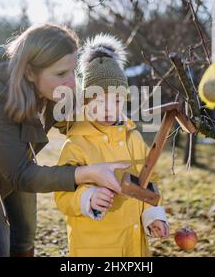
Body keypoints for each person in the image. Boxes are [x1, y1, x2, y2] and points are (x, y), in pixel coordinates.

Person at [0, 24, 129, 257]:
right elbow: (21, 175)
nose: (72, 83)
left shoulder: (54, 88)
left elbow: (75, 122)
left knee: (25, 233)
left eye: (73, 71)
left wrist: (118, 122)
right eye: (61, 73)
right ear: (30, 72)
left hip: (14, 161)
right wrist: (87, 173)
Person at [54, 34, 169, 257]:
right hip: (95, 249)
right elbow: (62, 194)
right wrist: (88, 197)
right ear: (87, 101)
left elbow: (147, 182)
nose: (109, 108)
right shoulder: (77, 143)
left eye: (116, 100)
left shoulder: (133, 139)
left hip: (134, 246)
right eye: (100, 100)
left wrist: (153, 215)